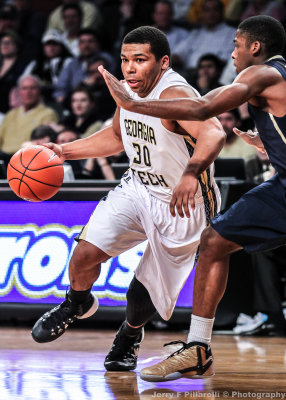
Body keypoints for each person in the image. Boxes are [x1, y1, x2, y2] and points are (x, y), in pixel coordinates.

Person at [98, 15, 286, 381]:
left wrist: (134, 104)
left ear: (255, 47)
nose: (231, 53)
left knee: (213, 242)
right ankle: (198, 348)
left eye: (236, 44)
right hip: (281, 185)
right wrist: (270, 143)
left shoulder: (260, 74)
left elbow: (202, 109)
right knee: (214, 241)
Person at [30, 26, 225, 375]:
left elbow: (214, 132)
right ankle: (77, 302)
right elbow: (118, 136)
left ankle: (130, 334)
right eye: (124, 60)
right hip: (138, 187)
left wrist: (191, 172)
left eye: (140, 60)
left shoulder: (176, 93)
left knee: (140, 297)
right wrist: (64, 151)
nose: (130, 68)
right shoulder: (128, 92)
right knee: (85, 253)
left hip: (183, 203)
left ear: (163, 63)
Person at [0, 75, 58, 165]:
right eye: (24, 88)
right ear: (19, 92)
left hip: (27, 159)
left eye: (32, 88)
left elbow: (44, 144)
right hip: (3, 157)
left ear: (39, 91)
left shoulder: (48, 114)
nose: (28, 92)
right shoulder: (10, 114)